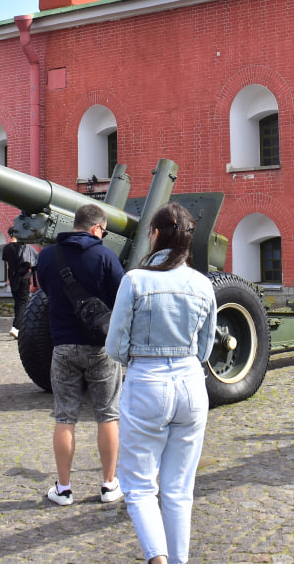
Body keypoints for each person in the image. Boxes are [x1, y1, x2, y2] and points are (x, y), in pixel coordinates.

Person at [106, 203, 217, 564]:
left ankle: (157, 559)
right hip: (190, 383)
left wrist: (139, 360)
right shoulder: (203, 284)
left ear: (154, 235)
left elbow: (115, 346)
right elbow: (205, 346)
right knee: (179, 489)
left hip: (147, 381)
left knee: (139, 485)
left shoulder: (135, 280)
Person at [36, 204, 126, 507]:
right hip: (100, 347)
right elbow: (121, 298)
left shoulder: (47, 256)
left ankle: (64, 489)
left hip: (62, 346)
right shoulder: (105, 256)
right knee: (107, 415)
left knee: (64, 417)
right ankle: (109, 485)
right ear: (97, 228)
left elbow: (46, 290)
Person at [2, 232, 39, 339]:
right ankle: (16, 327)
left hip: (13, 278)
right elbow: (34, 261)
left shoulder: (6, 248)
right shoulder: (26, 247)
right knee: (23, 302)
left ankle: (20, 328)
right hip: (24, 278)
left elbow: (7, 265)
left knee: (18, 302)